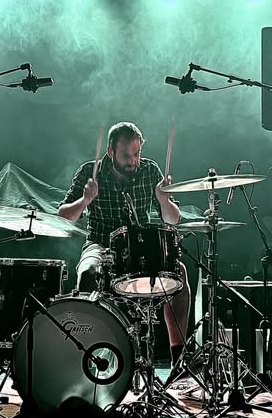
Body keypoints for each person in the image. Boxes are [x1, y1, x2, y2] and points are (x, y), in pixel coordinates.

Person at [58, 122, 190, 367]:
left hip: (140, 247)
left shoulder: (150, 170)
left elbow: (173, 219)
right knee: (87, 273)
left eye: (136, 154)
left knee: (178, 272)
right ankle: (88, 357)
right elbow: (64, 216)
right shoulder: (90, 171)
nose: (133, 161)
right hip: (100, 244)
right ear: (110, 151)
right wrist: (84, 201)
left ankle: (178, 361)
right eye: (126, 155)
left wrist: (164, 201)